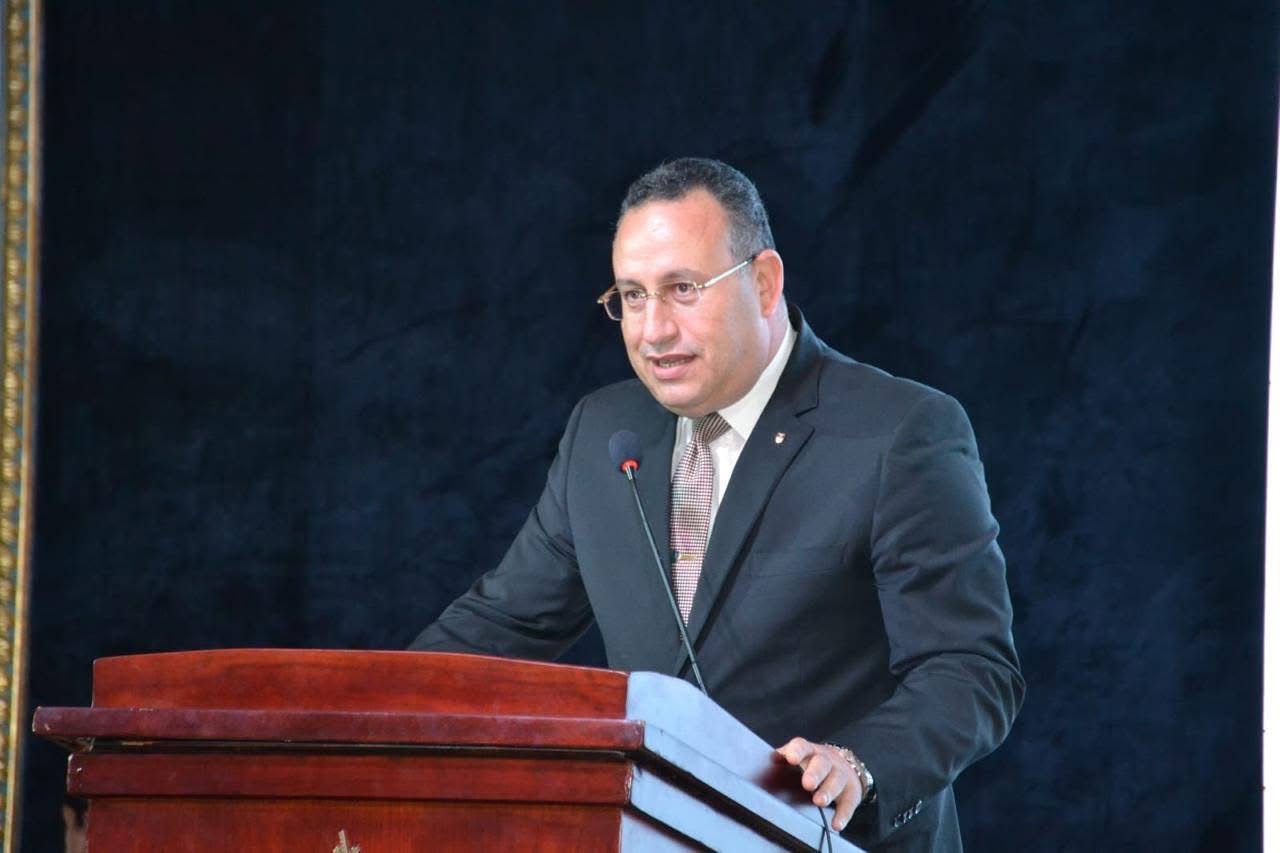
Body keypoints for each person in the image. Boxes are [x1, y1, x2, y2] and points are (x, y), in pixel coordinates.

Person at [411, 158, 1024, 851]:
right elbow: (502, 625)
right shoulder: (603, 431)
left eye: (683, 289)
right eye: (632, 296)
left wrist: (856, 763)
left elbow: (970, 669)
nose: (653, 330)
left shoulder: (899, 431)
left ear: (764, 282)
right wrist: (357, 707)